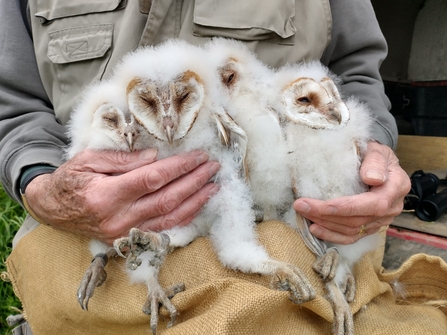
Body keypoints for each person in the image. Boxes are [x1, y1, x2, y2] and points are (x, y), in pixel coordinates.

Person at [0, 0, 415, 334]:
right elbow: (14, 103)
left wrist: (366, 148)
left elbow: (355, 72)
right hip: (87, 226)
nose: (166, 122)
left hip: (289, 221)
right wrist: (41, 185)